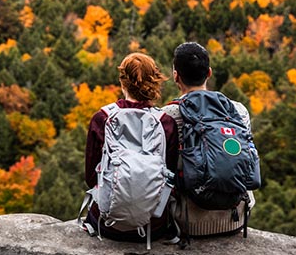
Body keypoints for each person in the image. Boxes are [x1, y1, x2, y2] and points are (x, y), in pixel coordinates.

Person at [161, 41, 256, 237]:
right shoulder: (238, 111)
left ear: (175, 76)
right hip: (234, 218)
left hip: (187, 222)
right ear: (209, 73)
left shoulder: (167, 115)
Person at [84, 52, 179, 241]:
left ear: (122, 82)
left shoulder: (102, 118)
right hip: (153, 225)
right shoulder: (166, 123)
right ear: (154, 82)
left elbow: (91, 177)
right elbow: (169, 176)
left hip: (106, 223)